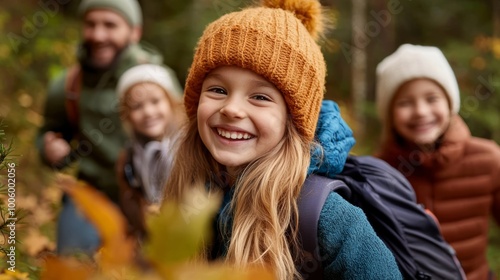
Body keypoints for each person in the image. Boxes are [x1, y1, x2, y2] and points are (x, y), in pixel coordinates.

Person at [164, 0, 402, 279]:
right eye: (218, 89)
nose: (231, 109)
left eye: (260, 97)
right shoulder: (186, 190)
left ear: (293, 120)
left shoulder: (323, 216)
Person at [35, 0, 181, 255]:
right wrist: (50, 149)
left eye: (110, 25)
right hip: (92, 194)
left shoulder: (156, 79)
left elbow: (184, 127)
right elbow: (49, 131)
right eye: (90, 24)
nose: (98, 35)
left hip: (150, 196)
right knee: (74, 261)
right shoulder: (68, 86)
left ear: (134, 31)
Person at [374, 43, 500, 280]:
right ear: (389, 114)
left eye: (432, 98)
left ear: (450, 103)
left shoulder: (489, 159)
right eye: (405, 103)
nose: (421, 111)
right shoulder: (377, 173)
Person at [115, 64, 184, 240]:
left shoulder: (188, 146)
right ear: (127, 115)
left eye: (155, 101)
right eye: (137, 106)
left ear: (170, 102)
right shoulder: (128, 160)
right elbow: (129, 203)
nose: (148, 112)